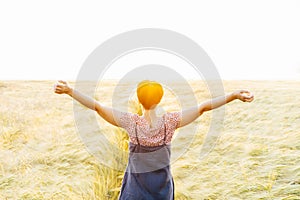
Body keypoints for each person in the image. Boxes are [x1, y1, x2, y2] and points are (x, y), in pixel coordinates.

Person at [54, 80, 254, 200]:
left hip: (135, 193)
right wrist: (234, 95)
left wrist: (70, 90)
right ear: (160, 99)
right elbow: (203, 107)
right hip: (162, 191)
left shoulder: (132, 123)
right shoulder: (170, 122)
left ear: (139, 100)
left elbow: (97, 107)